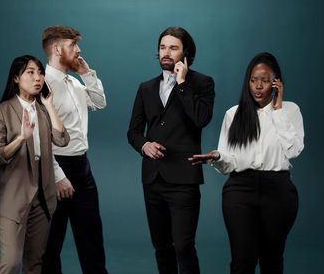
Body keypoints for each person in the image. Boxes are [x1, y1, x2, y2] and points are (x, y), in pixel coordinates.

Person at [189, 52, 304, 274]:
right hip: (240, 190)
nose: (258, 86)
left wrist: (278, 111)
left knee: (272, 259)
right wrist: (217, 157)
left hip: (278, 191)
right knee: (243, 260)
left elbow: (294, 150)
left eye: (265, 80)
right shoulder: (234, 114)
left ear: (276, 82)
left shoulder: (291, 110)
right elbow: (229, 163)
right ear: (247, 82)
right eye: (253, 80)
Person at [127, 26, 215, 274]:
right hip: (153, 179)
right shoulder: (146, 87)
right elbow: (133, 131)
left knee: (184, 246)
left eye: (173, 47)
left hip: (184, 179)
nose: (166, 52)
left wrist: (182, 83)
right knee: (161, 246)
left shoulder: (202, 83)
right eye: (163, 47)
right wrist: (144, 145)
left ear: (186, 53)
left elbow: (201, 119)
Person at [0, 55, 69, 274]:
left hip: (43, 199)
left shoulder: (44, 110)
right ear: (16, 77)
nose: (38, 77)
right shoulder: (1, 111)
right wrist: (21, 138)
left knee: (35, 264)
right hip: (13, 199)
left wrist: (50, 106)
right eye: (30, 72)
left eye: (40, 72)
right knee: (11, 263)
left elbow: (62, 140)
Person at [40, 25, 109, 274]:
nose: (79, 50)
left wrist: (87, 74)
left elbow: (99, 103)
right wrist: (58, 177)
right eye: (73, 46)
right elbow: (40, 138)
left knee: (92, 241)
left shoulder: (76, 84)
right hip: (54, 168)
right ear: (57, 49)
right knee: (50, 246)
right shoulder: (41, 84)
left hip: (82, 169)